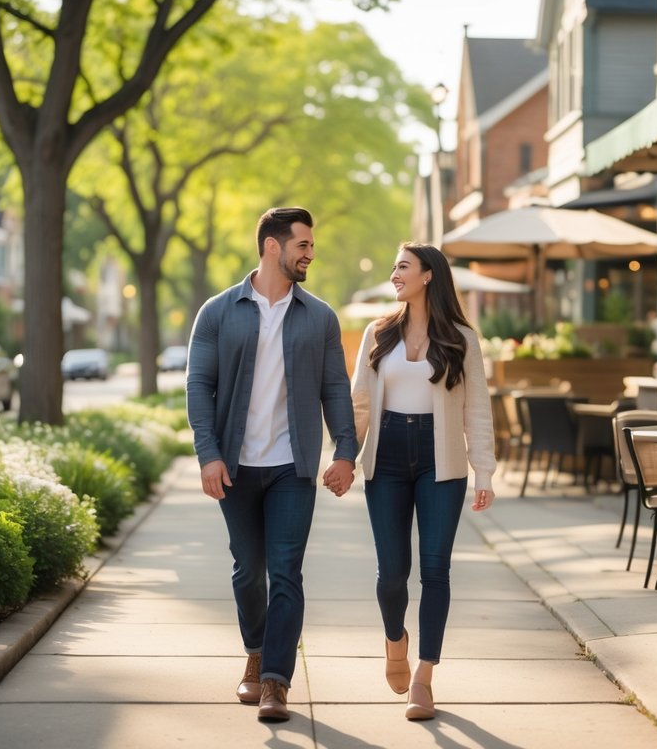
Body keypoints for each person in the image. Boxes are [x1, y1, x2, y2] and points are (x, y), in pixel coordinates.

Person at [187, 206, 357, 723]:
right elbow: (199, 385)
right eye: (302, 244)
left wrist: (346, 451)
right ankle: (256, 652)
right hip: (236, 465)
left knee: (286, 572)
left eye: (310, 245)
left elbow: (334, 387)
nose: (310, 253)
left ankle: (275, 682)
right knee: (248, 570)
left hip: (292, 466)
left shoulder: (321, 317)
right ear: (272, 247)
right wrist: (209, 454)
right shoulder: (218, 311)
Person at [342, 242, 496, 721]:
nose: (395, 274)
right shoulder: (378, 333)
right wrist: (344, 455)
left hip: (440, 462)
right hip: (385, 457)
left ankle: (424, 679)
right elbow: (360, 404)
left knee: (435, 570)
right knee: (391, 575)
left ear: (429, 275)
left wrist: (483, 470)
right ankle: (395, 642)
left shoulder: (462, 340)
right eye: (393, 267)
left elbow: (477, 410)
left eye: (403, 266)